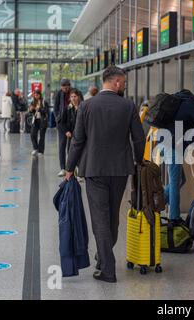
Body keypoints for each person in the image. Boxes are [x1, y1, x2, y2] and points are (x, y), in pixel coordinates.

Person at [65, 66, 145, 283]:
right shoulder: (128, 106)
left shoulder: (87, 106)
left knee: (100, 218)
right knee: (112, 218)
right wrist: (139, 160)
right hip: (120, 170)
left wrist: (69, 168)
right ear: (116, 82)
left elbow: (78, 140)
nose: (125, 85)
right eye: (124, 82)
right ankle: (103, 257)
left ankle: (107, 268)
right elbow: (139, 138)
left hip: (94, 169)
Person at [163, 87, 194, 223]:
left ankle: (155, 202)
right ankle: (174, 217)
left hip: (170, 143)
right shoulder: (192, 105)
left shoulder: (187, 102)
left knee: (180, 180)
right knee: (175, 181)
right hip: (172, 146)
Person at [54, 79, 72, 177]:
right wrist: (57, 117)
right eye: (63, 86)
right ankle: (63, 168)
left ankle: (72, 167)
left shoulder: (73, 93)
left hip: (72, 122)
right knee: (62, 145)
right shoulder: (59, 94)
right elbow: (56, 108)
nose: (65, 88)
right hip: (62, 123)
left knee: (72, 147)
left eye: (67, 86)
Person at [61, 89, 83, 154]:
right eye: (71, 97)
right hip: (71, 134)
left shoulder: (83, 107)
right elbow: (62, 121)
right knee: (70, 152)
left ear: (78, 97)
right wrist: (66, 131)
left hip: (81, 134)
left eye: (75, 96)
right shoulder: (67, 108)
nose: (73, 98)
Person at [29, 90, 49, 156]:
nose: (36, 96)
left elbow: (46, 111)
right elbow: (31, 112)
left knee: (42, 136)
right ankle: (35, 148)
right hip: (35, 120)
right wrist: (31, 110)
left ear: (40, 95)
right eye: (35, 95)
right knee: (32, 134)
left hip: (42, 120)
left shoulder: (44, 102)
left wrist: (39, 109)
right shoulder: (33, 102)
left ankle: (41, 151)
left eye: (37, 95)